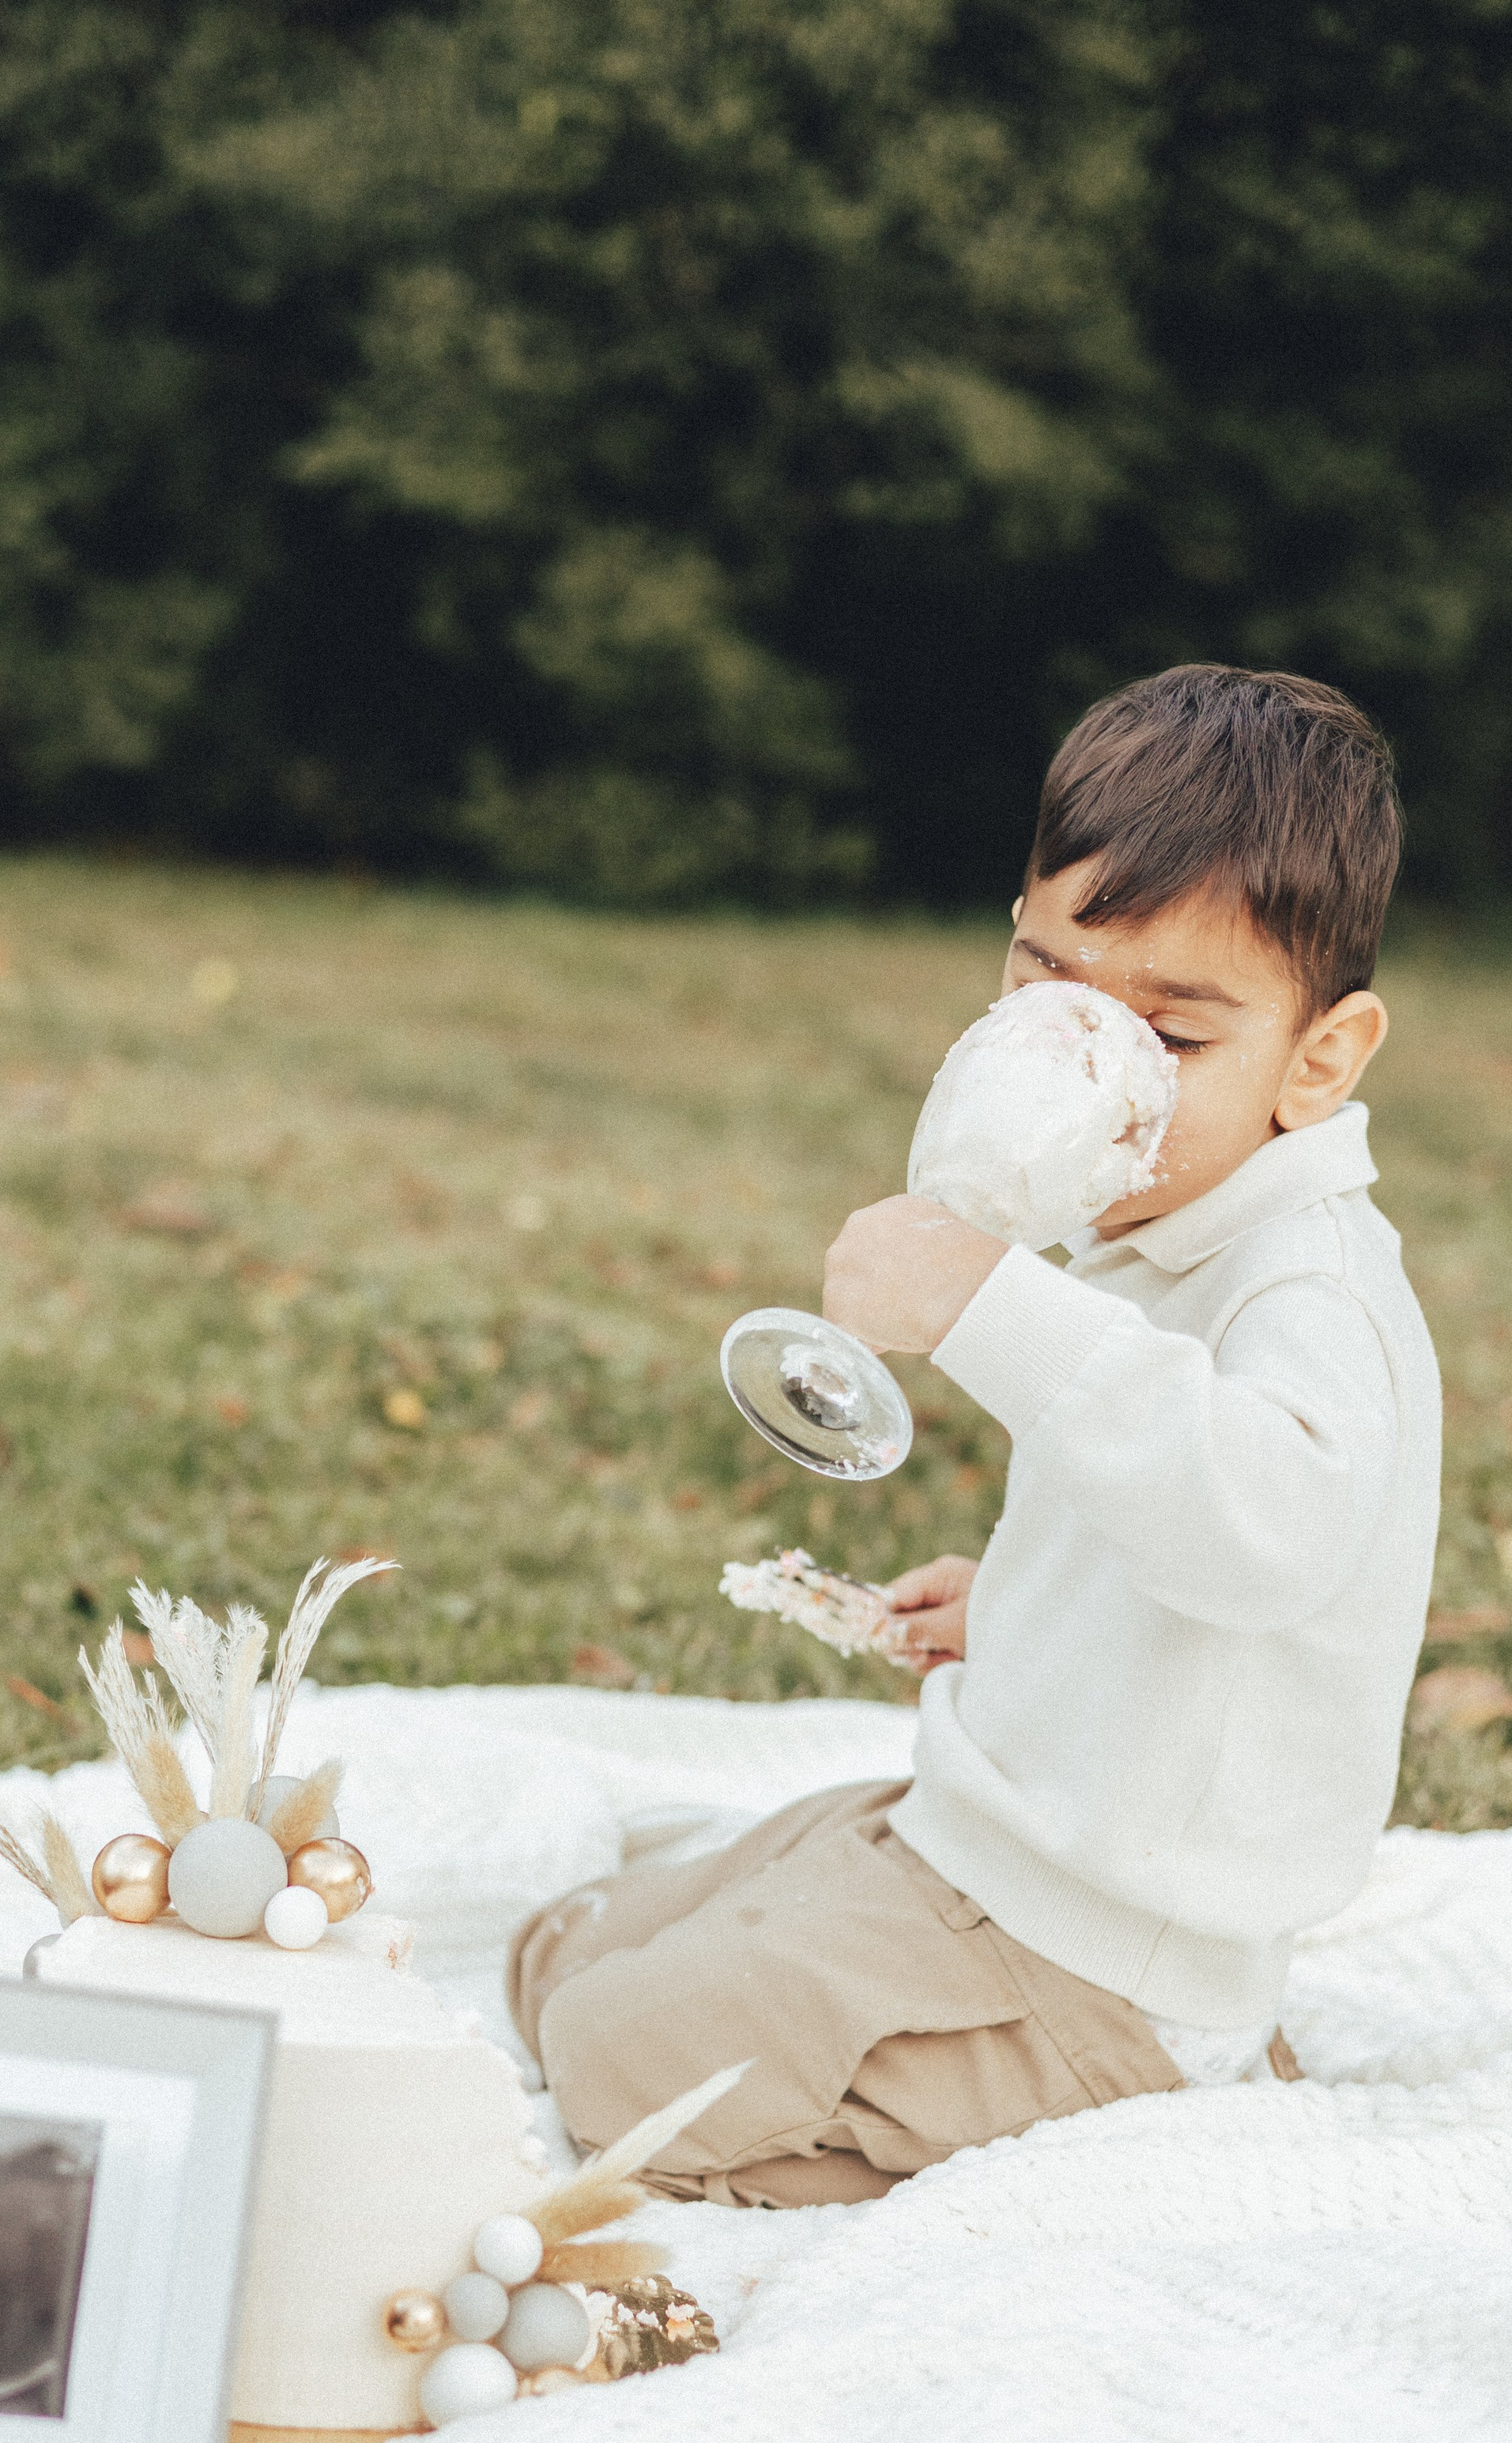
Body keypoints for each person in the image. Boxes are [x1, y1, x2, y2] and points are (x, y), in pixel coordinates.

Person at [509, 665, 1442, 2204]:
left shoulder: (1310, 1289)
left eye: (1171, 1038)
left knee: (614, 2060)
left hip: (1098, 1950)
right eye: (1048, 995)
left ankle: (1106, 2123)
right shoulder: (1159, 1224)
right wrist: (1017, 1605)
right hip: (993, 1833)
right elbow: (1147, 1513)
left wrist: (986, 1305)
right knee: (582, 1938)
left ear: (1320, 1059)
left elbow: (1262, 1531)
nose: (1095, 1077)